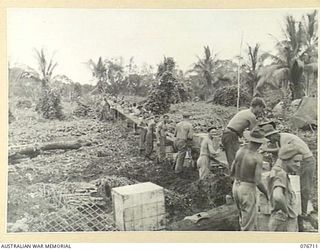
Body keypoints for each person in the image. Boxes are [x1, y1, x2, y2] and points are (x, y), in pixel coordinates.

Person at [259, 124, 316, 220]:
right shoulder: (280, 139)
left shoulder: (284, 139)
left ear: (274, 135)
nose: (270, 140)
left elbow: (282, 155)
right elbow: (282, 154)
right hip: (298, 160)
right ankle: (298, 208)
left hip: (306, 161)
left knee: (304, 187)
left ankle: (304, 213)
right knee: (294, 187)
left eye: (269, 137)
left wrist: (274, 168)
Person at [231, 126, 269, 231]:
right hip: (247, 189)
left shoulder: (240, 150)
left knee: (242, 218)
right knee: (249, 224)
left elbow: (232, 169)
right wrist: (267, 193)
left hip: (236, 185)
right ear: (260, 143)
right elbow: (258, 181)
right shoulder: (257, 157)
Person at [222, 97, 266, 167]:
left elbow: (239, 127)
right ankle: (235, 176)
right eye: (261, 108)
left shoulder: (244, 112)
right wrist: (264, 137)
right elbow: (253, 132)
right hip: (230, 135)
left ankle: (234, 176)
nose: (261, 111)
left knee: (233, 158)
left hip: (228, 134)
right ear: (258, 106)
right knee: (234, 159)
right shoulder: (251, 116)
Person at [267, 143, 302, 232]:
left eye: (299, 162)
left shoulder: (277, 171)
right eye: (295, 161)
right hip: (284, 221)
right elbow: (278, 196)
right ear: (285, 161)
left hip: (279, 218)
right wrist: (288, 211)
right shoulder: (280, 174)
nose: (299, 165)